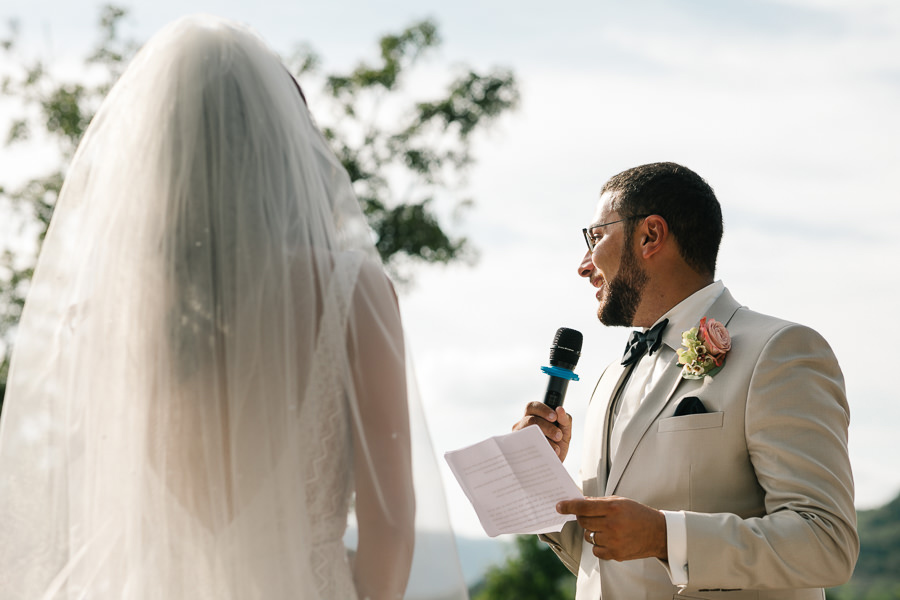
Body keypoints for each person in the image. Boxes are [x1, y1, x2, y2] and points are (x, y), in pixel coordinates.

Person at [0, 15, 467, 600]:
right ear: (283, 148)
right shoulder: (352, 292)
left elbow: (93, 519)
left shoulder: (100, 314)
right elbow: (391, 530)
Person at [513, 162, 858, 599]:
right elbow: (605, 566)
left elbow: (826, 543)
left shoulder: (780, 350)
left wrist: (665, 536)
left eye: (596, 238)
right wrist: (541, 482)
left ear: (650, 236)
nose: (584, 265)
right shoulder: (607, 380)